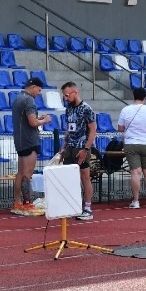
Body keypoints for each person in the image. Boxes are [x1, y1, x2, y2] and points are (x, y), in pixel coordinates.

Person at [11, 77, 52, 216]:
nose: (39, 93)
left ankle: (17, 202)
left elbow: (28, 121)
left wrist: (37, 119)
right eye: (39, 90)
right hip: (29, 140)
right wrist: (44, 120)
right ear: (33, 87)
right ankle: (27, 203)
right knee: (27, 174)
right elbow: (33, 123)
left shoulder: (17, 98)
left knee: (20, 173)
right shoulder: (29, 100)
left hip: (20, 140)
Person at [59, 82, 97, 220]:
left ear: (75, 92)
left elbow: (93, 131)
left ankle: (87, 208)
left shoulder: (87, 109)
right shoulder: (68, 108)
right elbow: (69, 128)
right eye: (64, 96)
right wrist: (64, 145)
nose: (66, 98)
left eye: (67, 95)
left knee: (84, 177)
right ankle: (72, 205)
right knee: (69, 177)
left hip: (81, 147)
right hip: (70, 146)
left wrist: (86, 149)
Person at [117, 86, 146, 209]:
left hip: (131, 143)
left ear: (133, 96)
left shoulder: (125, 110)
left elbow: (120, 128)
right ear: (145, 97)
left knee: (135, 173)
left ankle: (136, 201)